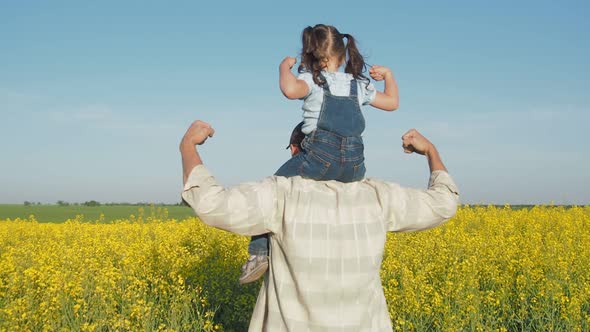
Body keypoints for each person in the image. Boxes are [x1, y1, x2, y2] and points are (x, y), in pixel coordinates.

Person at [180, 120, 459, 331]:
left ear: (297, 150)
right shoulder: (377, 197)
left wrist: (188, 146)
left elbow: (210, 202)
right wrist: (430, 151)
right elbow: (444, 202)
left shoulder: (281, 195)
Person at [242, 23, 400, 284]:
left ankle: (259, 253)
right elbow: (392, 103)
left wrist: (284, 67)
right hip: (354, 166)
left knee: (274, 188)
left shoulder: (311, 79)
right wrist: (390, 76)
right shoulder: (358, 84)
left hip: (317, 158)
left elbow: (289, 90)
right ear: (343, 53)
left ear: (312, 55)